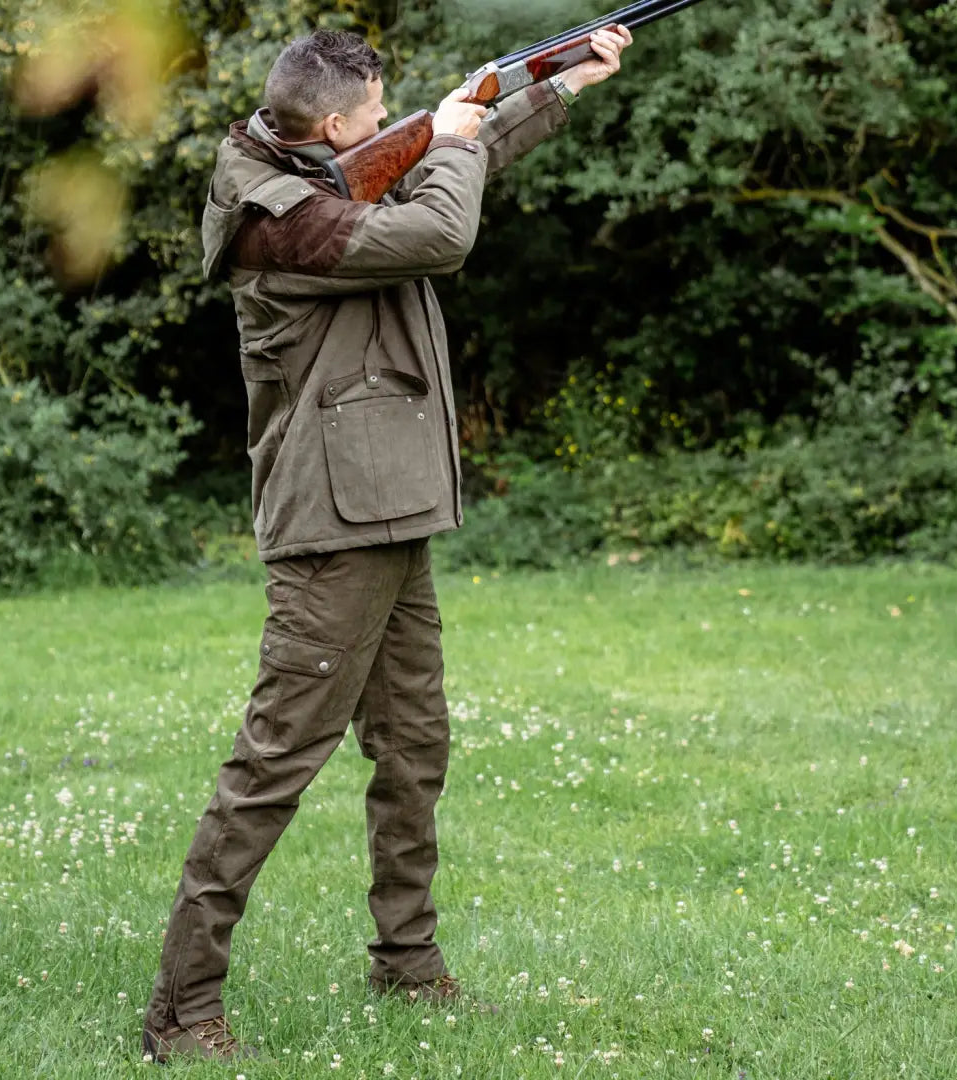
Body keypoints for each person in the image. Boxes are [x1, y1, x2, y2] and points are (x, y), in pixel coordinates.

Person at [141, 22, 632, 1063]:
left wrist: (556, 88)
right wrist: (451, 136)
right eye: (376, 114)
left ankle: (406, 969)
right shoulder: (281, 219)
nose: (390, 125)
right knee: (274, 765)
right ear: (331, 125)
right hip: (332, 529)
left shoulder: (322, 167)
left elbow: (448, 155)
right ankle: (182, 1009)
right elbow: (440, 233)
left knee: (414, 750)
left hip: (390, 510)